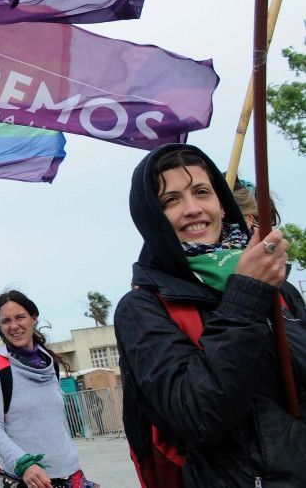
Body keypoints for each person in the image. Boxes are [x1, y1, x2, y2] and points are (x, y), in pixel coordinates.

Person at [116, 144, 306, 485]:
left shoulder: (279, 289)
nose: (191, 209)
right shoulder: (142, 308)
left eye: (202, 192)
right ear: (150, 217)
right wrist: (246, 296)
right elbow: (196, 414)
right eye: (170, 200)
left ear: (221, 203)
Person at [0, 291, 93, 488]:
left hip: (69, 475)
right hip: (24, 479)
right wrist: (23, 464)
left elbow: (57, 422)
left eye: (20, 317)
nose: (14, 326)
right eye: (6, 320)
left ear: (34, 318)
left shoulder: (50, 365)